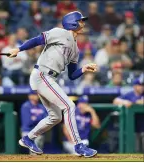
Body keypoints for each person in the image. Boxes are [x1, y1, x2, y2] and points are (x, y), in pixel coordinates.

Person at [8, 11, 98, 157]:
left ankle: (28, 138)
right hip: (42, 74)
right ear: (72, 22)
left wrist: (83, 69)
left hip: (50, 78)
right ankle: (78, 145)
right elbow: (38, 40)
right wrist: (18, 49)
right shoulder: (60, 33)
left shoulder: (75, 48)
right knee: (69, 106)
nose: (83, 23)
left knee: (56, 116)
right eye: (81, 21)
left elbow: (72, 74)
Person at [113, 76, 144, 153]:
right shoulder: (129, 95)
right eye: (140, 85)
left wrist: (137, 102)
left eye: (143, 85)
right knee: (136, 152)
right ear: (135, 86)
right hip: (133, 129)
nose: (142, 87)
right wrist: (125, 102)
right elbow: (115, 100)